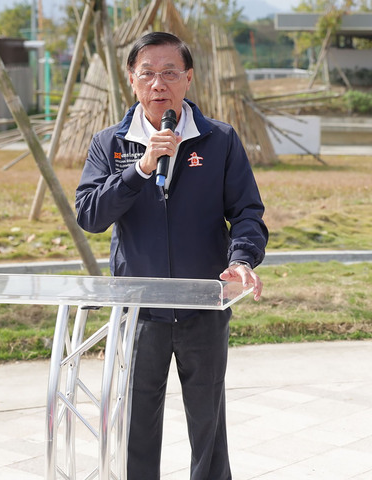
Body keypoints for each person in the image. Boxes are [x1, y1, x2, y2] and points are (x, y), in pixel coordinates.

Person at [75, 31, 268, 480]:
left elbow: (247, 213)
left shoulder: (218, 140)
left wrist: (242, 259)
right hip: (138, 310)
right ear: (131, 80)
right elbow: (89, 215)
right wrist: (140, 170)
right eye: (148, 73)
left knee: (208, 422)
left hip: (204, 304)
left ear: (188, 79)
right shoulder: (111, 144)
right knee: (138, 421)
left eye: (169, 73)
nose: (158, 83)